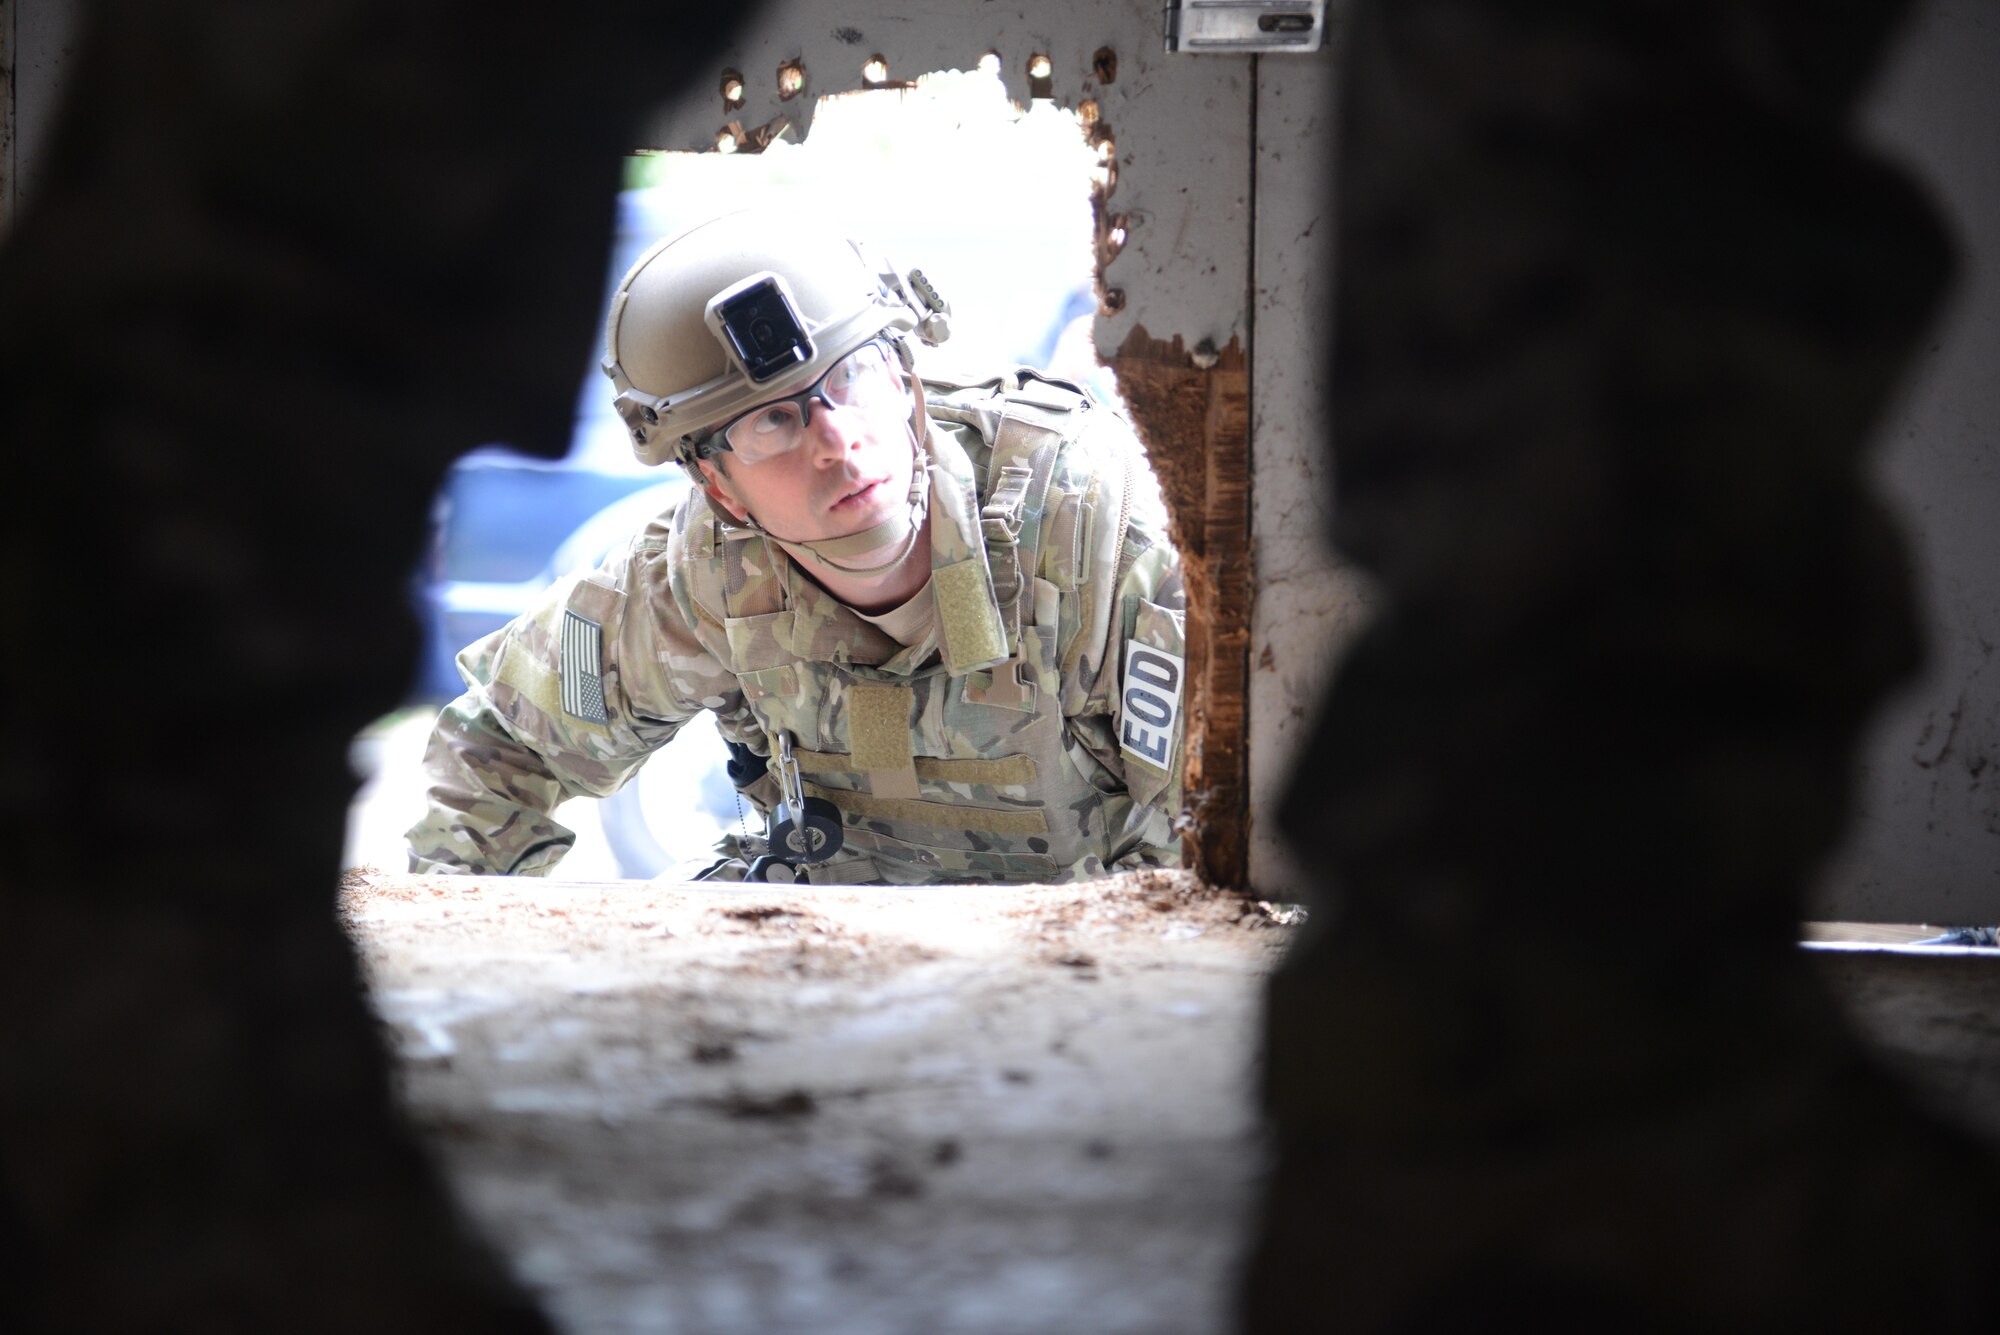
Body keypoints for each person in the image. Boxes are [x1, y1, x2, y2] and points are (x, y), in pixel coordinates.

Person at [406, 211, 1187, 883]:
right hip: (825, 947)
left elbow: (1212, 828)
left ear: (908, 384)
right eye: (772, 421)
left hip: (1082, 947)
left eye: (852, 378)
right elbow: (499, 748)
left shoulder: (1087, 528)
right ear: (718, 484)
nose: (837, 442)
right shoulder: (702, 572)